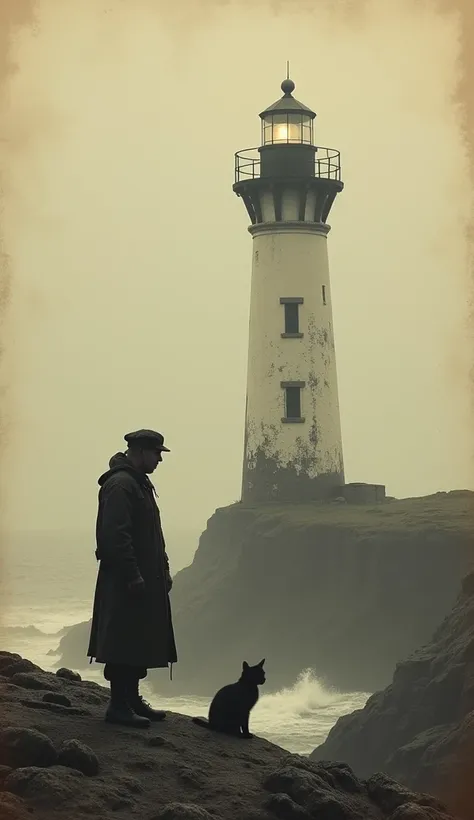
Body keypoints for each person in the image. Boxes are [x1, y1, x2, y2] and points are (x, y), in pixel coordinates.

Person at [87, 429, 177, 728]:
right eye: (156, 454)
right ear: (139, 452)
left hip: (142, 577)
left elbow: (153, 536)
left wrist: (162, 569)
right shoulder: (121, 485)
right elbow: (116, 536)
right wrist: (133, 575)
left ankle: (133, 700)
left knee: (138, 638)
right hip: (126, 579)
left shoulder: (138, 483)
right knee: (123, 640)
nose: (159, 460)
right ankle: (118, 706)